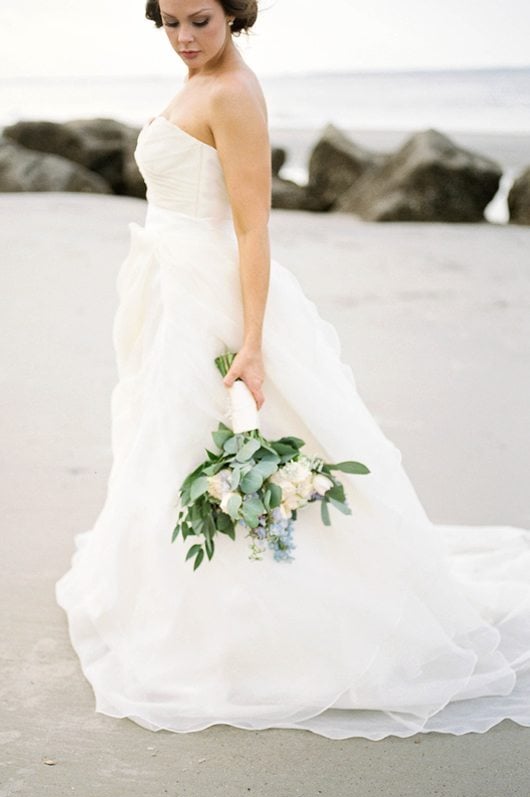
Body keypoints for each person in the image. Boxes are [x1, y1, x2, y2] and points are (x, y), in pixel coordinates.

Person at [55, 0, 530, 740]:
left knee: (211, 438)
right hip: (169, 285)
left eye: (199, 22)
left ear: (233, 14)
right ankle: (174, 590)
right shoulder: (200, 79)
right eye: (171, 21)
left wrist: (251, 342)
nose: (183, 37)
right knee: (164, 435)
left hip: (208, 293)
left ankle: (250, 619)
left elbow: (252, 225)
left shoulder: (234, 93)